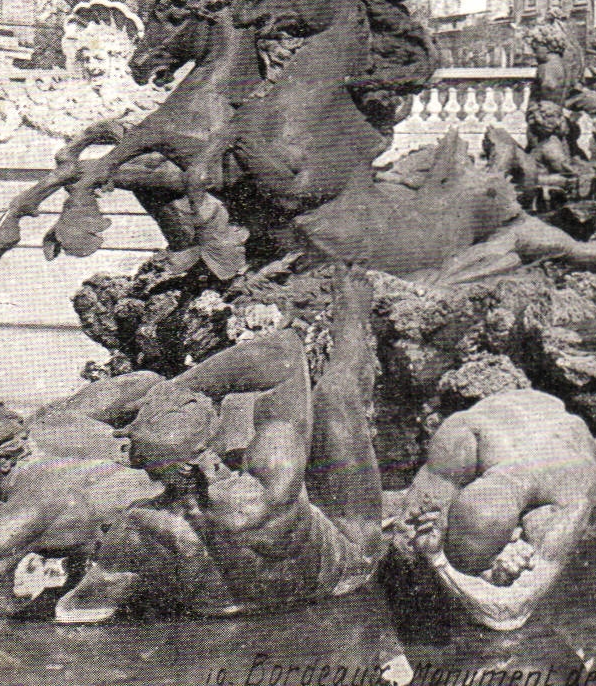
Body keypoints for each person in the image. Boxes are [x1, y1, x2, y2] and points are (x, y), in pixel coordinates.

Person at [49, 265, 386, 624]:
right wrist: (181, 389)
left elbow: (78, 610)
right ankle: (353, 309)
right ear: (205, 456)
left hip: (225, 605)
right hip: (338, 576)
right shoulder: (267, 493)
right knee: (335, 396)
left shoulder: (135, 529)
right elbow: (284, 354)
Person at [0, 374, 165, 606]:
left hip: (171, 538)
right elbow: (146, 382)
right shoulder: (50, 423)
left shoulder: (23, 514)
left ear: (4, 461)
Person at [393, 389, 596, 632]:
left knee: (518, 573)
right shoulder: (465, 436)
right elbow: (404, 538)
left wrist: (438, 561)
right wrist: (429, 536)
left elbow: (509, 612)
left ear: (516, 532)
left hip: (570, 442)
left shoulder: (573, 493)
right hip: (510, 414)